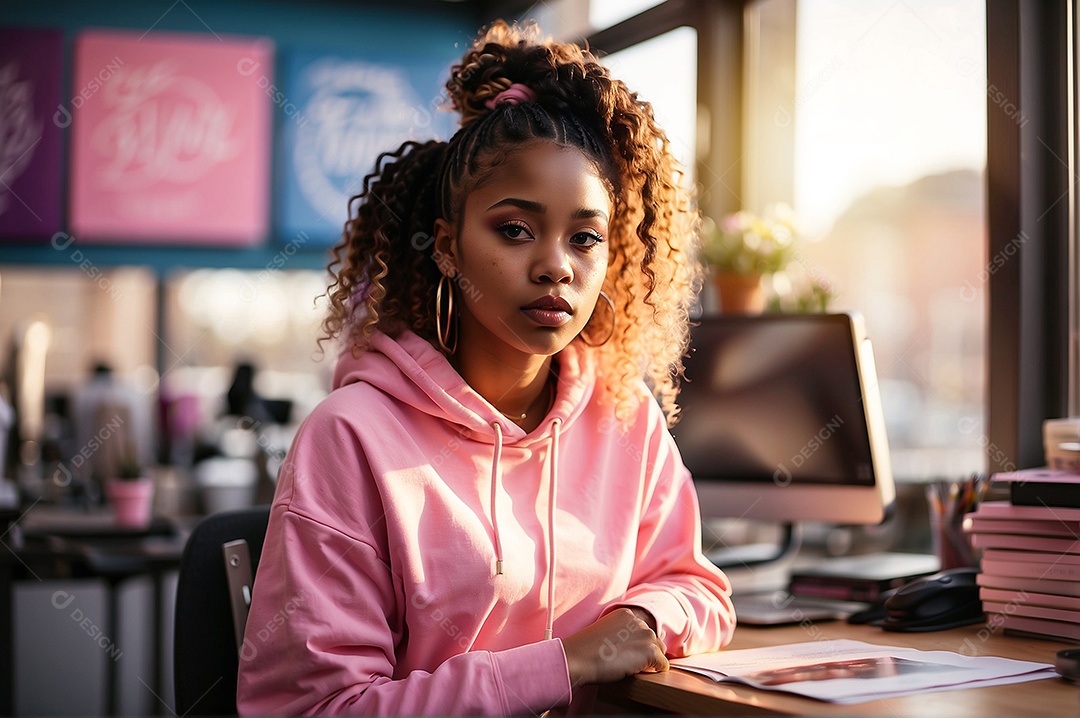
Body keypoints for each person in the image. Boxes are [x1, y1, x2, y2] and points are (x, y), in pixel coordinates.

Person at [237, 20, 736, 715]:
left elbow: (698, 587)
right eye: (514, 229)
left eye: (585, 237)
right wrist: (565, 663)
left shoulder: (624, 414)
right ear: (447, 247)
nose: (555, 265)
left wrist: (642, 623)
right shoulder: (349, 438)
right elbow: (319, 708)